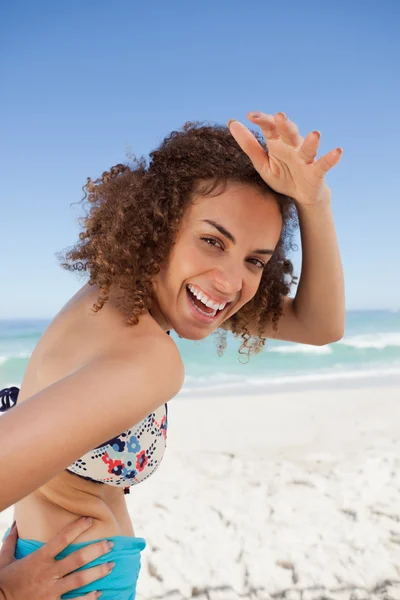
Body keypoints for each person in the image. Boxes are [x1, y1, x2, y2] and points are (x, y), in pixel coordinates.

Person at [0, 111, 345, 599]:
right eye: (211, 241)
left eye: (254, 261)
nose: (229, 282)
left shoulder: (120, 292)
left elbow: (320, 325)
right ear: (159, 225)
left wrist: (314, 201)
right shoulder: (149, 359)